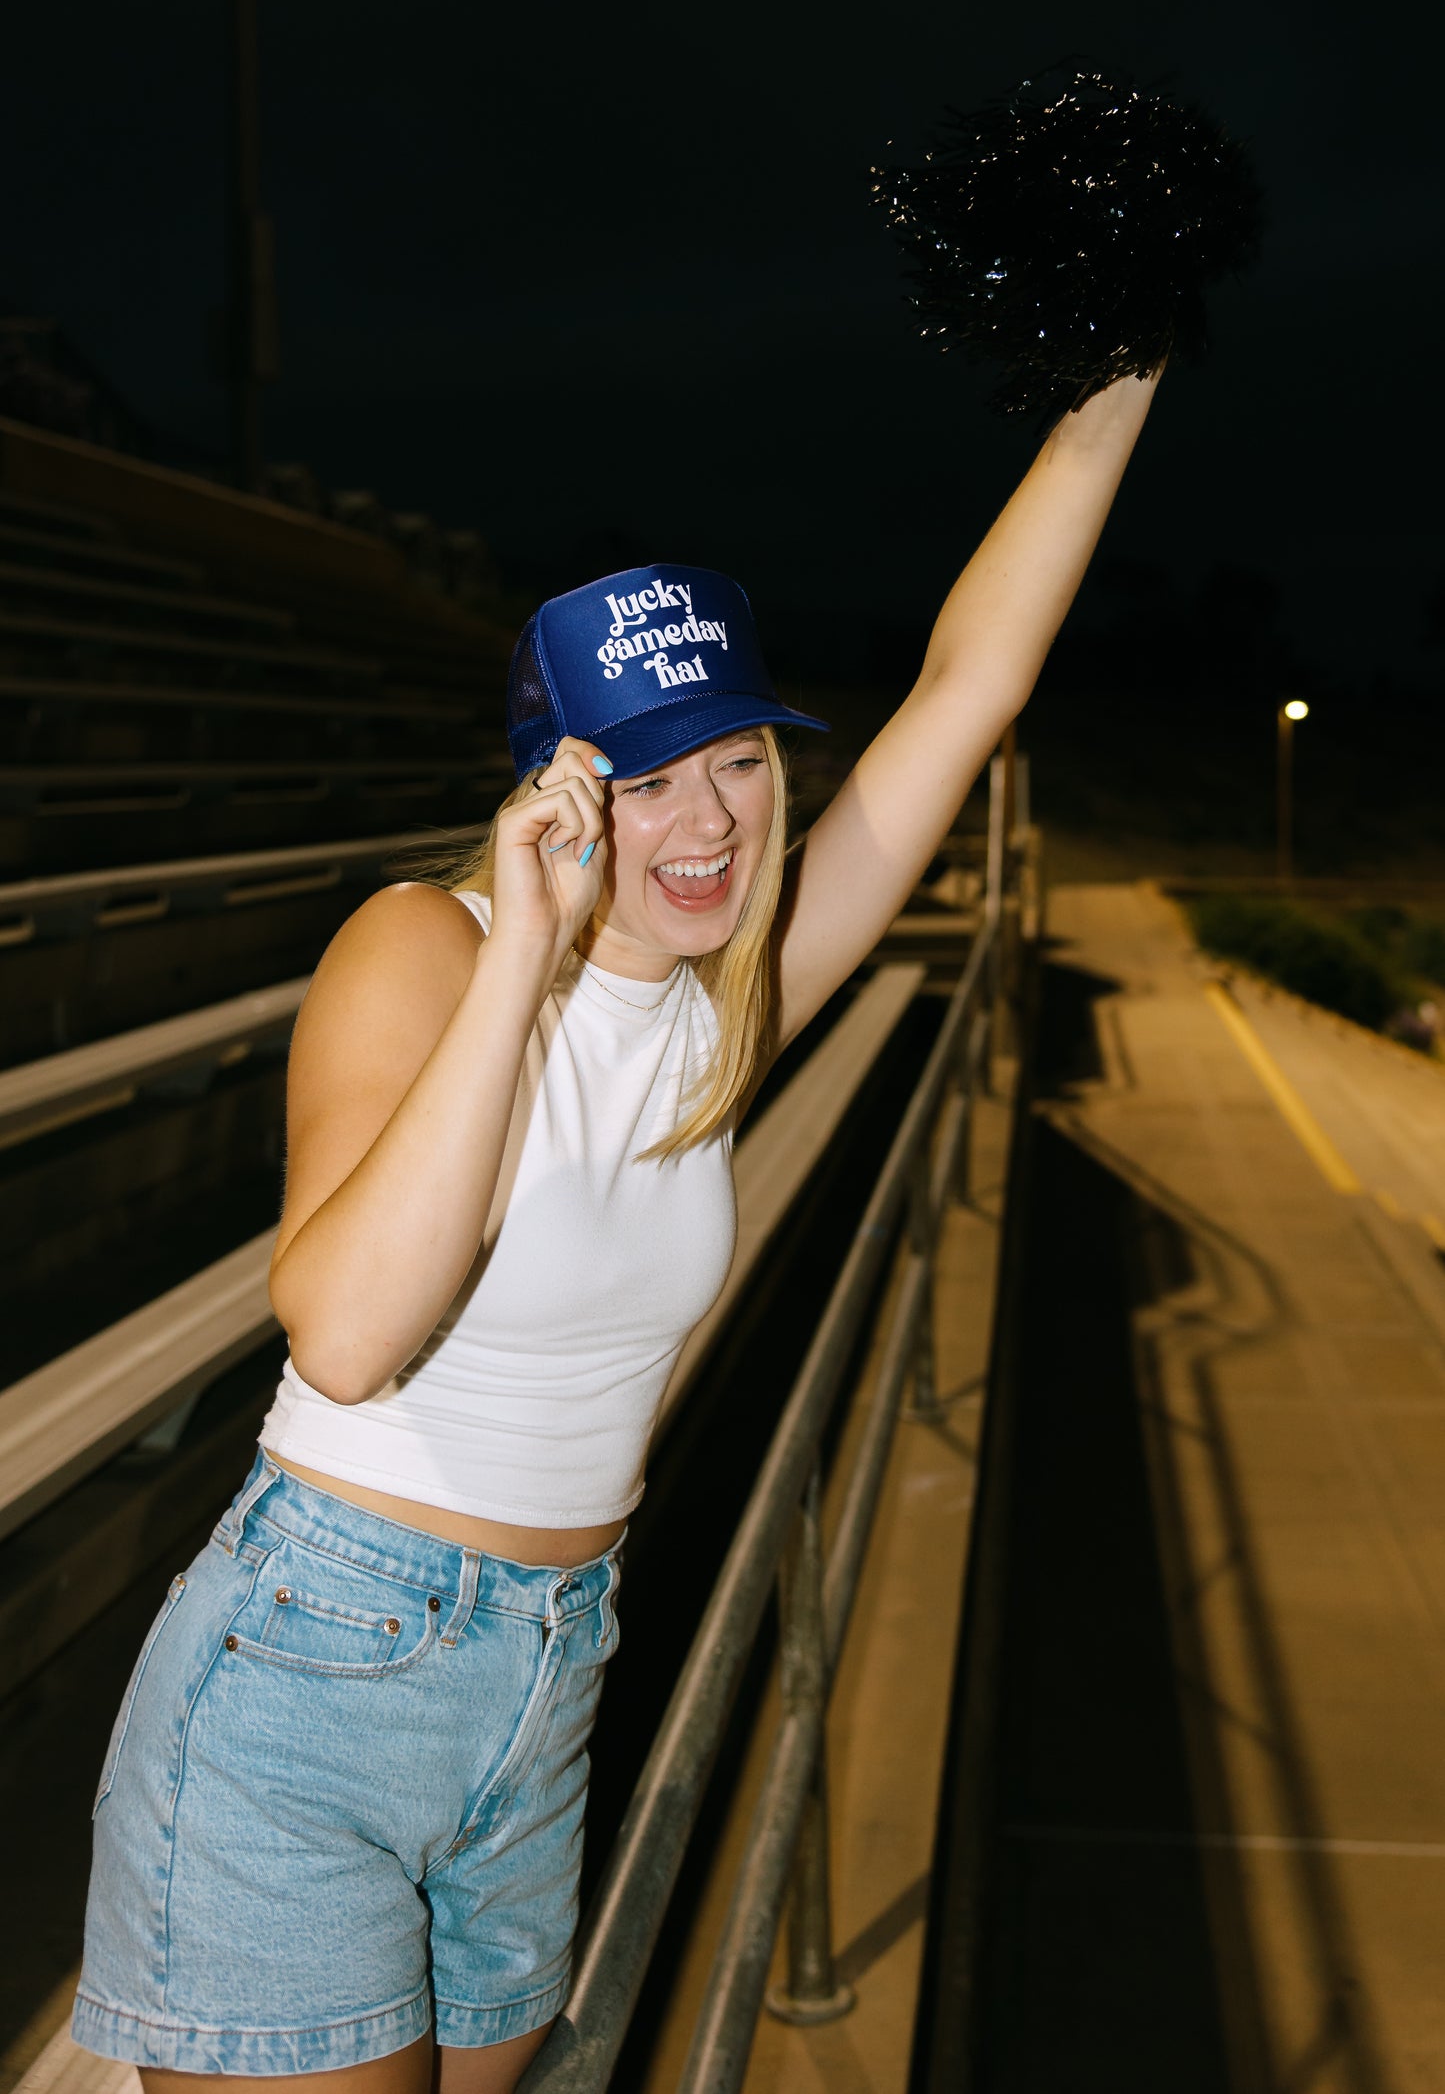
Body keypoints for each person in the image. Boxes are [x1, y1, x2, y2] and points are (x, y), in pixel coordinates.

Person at [73, 369, 1159, 2094]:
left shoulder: (723, 1012)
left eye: (736, 760)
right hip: (317, 1676)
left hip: (550, 1680)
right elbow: (344, 1331)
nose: (710, 821)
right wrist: (525, 948)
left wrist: (1114, 388)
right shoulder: (423, 951)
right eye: (647, 780)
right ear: (556, 793)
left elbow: (972, 687)